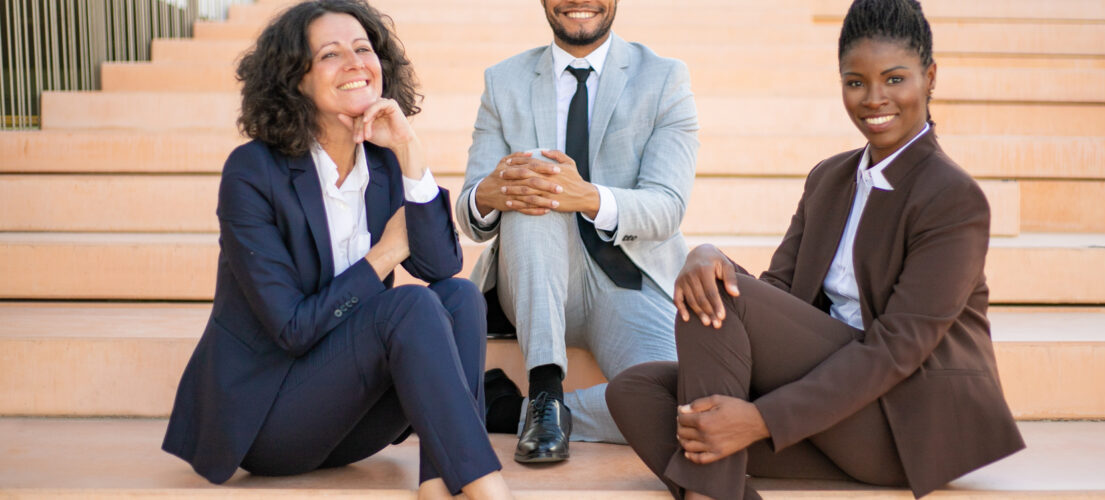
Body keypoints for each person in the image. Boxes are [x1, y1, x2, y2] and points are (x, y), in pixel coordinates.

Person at [606, 0, 1025, 498]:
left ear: (930, 77)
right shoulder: (829, 178)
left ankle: (706, 491)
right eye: (855, 82)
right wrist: (704, 253)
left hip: (901, 424)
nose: (874, 98)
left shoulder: (953, 198)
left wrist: (760, 419)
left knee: (717, 295)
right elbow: (779, 293)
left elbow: (896, 350)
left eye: (895, 80)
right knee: (635, 391)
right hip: (828, 414)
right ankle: (719, 486)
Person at [160, 2, 512, 498]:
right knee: (409, 304)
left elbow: (441, 265)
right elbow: (292, 328)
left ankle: (439, 479)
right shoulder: (253, 173)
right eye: (330, 54)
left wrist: (409, 151)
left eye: (363, 49)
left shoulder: (385, 165)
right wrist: (385, 254)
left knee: (460, 297)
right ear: (295, 79)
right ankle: (483, 484)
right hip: (271, 419)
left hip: (352, 424)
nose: (354, 62)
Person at [457, 0, 699, 463]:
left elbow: (666, 207)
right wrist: (489, 194)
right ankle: (545, 389)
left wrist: (585, 196)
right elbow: (471, 211)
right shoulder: (503, 81)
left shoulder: (664, 77)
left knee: (679, 408)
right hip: (537, 280)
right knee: (535, 187)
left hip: (631, 280)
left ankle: (511, 410)